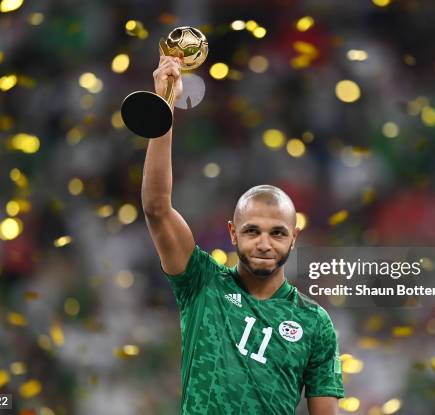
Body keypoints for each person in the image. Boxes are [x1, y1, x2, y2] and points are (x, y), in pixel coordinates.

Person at [141, 55, 345, 415]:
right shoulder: (202, 283)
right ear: (232, 233)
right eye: (252, 231)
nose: (264, 243)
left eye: (277, 233)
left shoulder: (315, 323)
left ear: (294, 237)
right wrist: (164, 108)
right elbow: (157, 208)